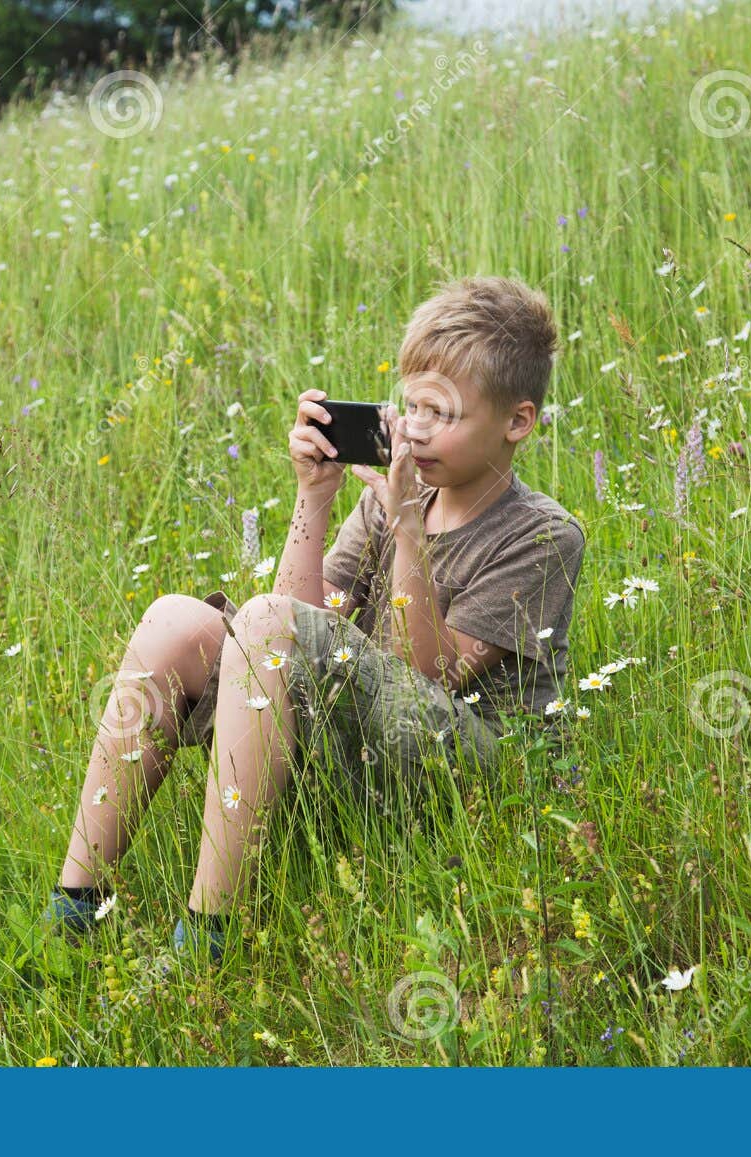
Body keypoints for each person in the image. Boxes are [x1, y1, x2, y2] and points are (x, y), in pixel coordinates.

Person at [40, 275, 587, 968]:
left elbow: (437, 673)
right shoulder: (389, 498)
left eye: (442, 414)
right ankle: (74, 907)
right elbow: (287, 626)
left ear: (517, 421)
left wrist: (409, 526)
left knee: (266, 624)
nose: (414, 429)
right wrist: (316, 496)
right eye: (410, 406)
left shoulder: (542, 535)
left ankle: (208, 938)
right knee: (174, 623)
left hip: (474, 774)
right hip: (374, 739)